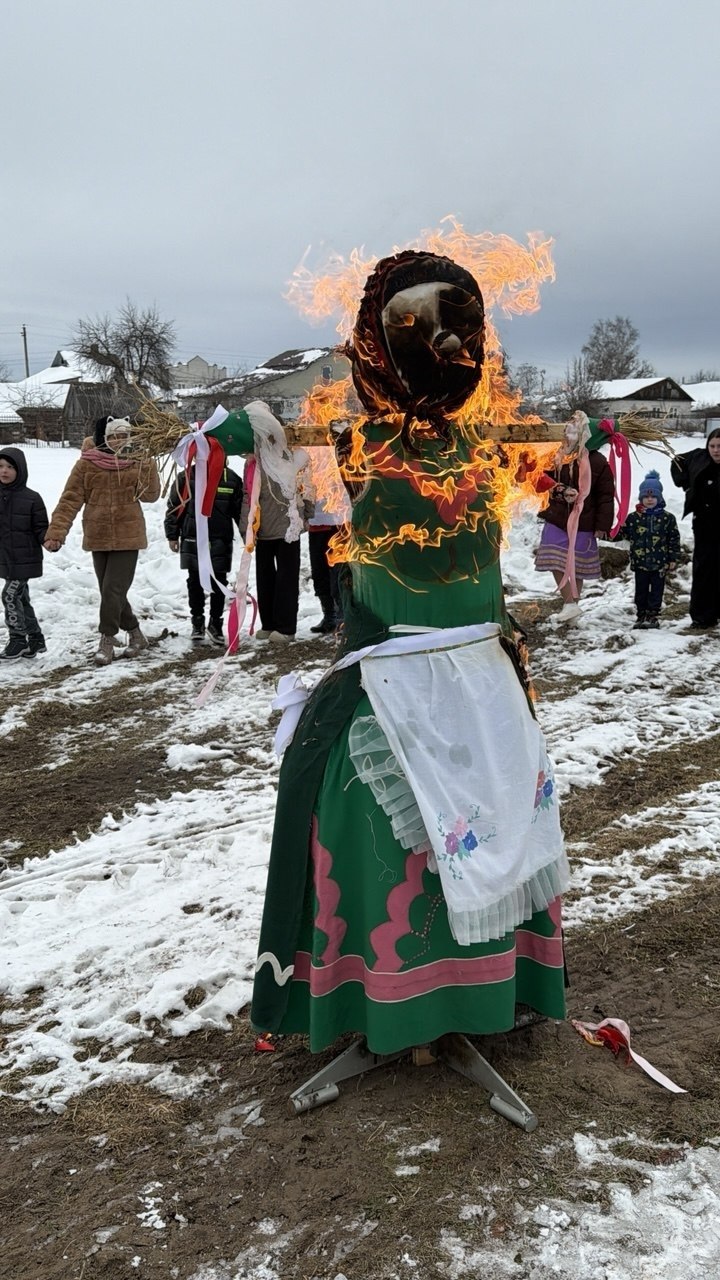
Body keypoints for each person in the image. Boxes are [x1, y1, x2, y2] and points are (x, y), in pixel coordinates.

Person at [246, 250, 568, 1059]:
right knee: (387, 835)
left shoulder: (496, 444)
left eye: (456, 323)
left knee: (494, 826)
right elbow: (226, 432)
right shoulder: (355, 444)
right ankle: (399, 1010)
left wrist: (586, 439)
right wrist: (251, 423)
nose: (441, 344)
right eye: (413, 327)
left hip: (485, 680)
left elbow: (577, 449)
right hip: (390, 683)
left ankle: (482, 997)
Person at [44, 416, 160, 666]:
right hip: (97, 536)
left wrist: (148, 464)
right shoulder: (87, 464)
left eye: (123, 435)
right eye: (113, 435)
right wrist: (56, 532)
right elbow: (70, 499)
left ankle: (107, 639)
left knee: (112, 590)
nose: (118, 440)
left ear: (131, 438)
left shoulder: (137, 461)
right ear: (104, 437)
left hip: (128, 536)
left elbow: (151, 496)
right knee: (111, 592)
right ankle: (136, 635)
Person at [534, 411, 615, 623]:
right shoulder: (557, 455)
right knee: (554, 559)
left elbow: (606, 496)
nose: (570, 436)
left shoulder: (598, 462)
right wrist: (559, 489)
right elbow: (540, 480)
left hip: (585, 522)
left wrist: (602, 525)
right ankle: (570, 603)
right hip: (557, 517)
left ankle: (572, 608)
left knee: (577, 566)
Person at [239, 443, 314, 644]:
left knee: (286, 578)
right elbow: (248, 495)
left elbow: (307, 487)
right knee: (265, 577)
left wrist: (307, 514)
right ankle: (269, 624)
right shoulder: (254, 462)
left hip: (288, 527)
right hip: (263, 528)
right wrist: (246, 526)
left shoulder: (296, 458)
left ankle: (286, 627)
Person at [164, 462, 243, 646]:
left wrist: (248, 534)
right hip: (192, 536)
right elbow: (175, 506)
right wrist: (172, 535)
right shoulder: (186, 477)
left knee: (219, 581)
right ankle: (197, 621)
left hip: (220, 539)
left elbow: (239, 511)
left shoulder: (231, 479)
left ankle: (215, 622)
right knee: (195, 580)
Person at [0, 447, 49, 661]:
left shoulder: (32, 498)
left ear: (20, 470)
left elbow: (41, 528)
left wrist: (50, 539)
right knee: (21, 598)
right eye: (0, 466)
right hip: (6, 558)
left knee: (9, 595)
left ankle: (18, 639)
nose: (4, 471)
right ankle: (36, 639)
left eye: (10, 467)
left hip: (25, 559)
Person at [670, 427, 720, 629]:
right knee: (704, 569)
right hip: (705, 523)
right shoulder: (699, 458)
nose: (716, 450)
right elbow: (676, 461)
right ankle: (702, 616)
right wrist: (685, 483)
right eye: (713, 446)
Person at [620, 469, 680, 629]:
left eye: (653, 496)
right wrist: (606, 531)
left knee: (657, 590)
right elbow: (623, 533)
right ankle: (641, 615)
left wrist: (673, 558)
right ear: (641, 498)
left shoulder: (667, 518)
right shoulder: (633, 518)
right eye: (646, 496)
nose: (649, 499)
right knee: (641, 590)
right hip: (640, 562)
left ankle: (653, 615)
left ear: (659, 497)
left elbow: (673, 538)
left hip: (660, 562)